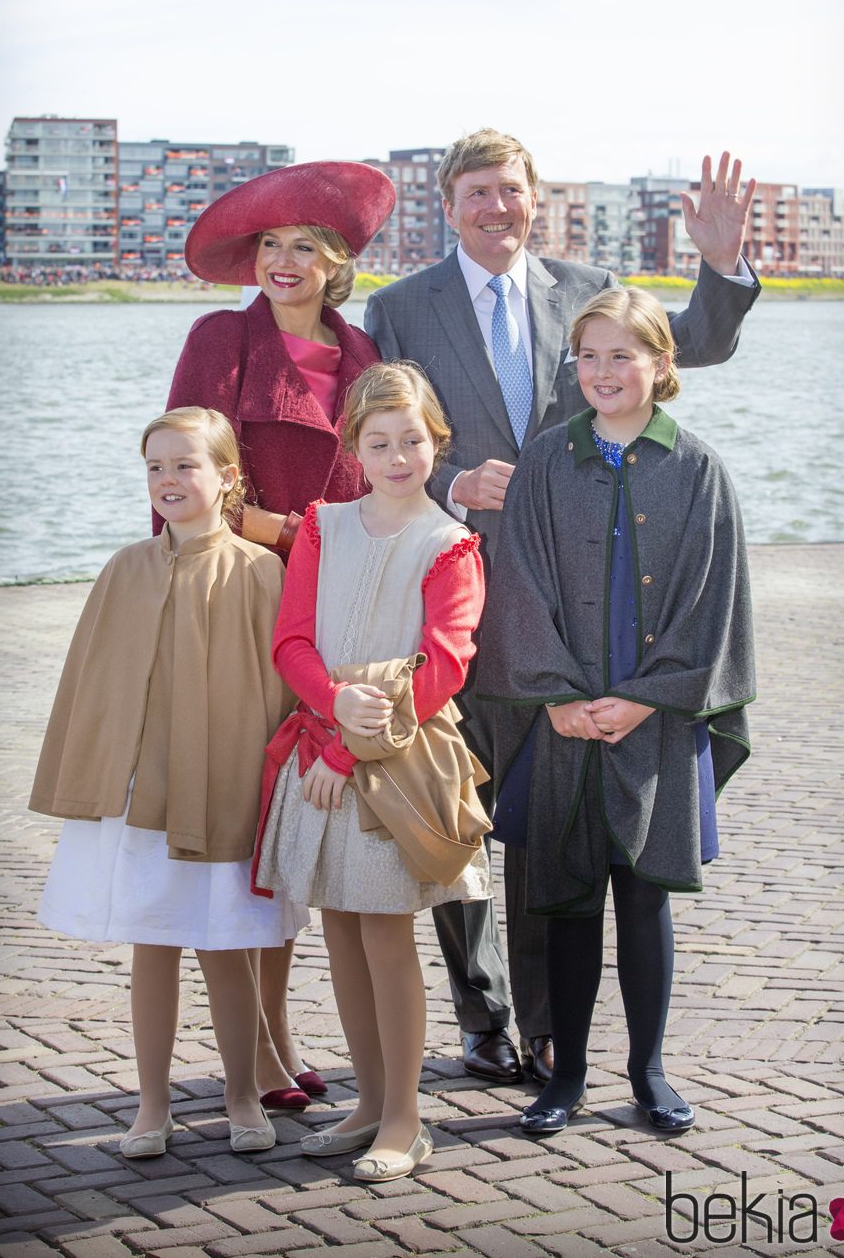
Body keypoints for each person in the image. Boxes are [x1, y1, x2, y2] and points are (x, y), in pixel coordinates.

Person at [364, 127, 759, 1084]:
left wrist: (722, 266)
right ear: (447, 205)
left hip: (573, 606)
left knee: (548, 826)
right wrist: (455, 481)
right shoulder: (400, 308)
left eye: (511, 191)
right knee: (455, 815)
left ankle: (548, 1031)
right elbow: (374, 428)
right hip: (452, 590)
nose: (496, 209)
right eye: (476, 194)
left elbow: (685, 345)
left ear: (532, 198)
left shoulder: (585, 286)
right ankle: (485, 1012)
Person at [475, 287, 755, 1135]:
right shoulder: (548, 464)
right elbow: (517, 586)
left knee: (643, 898)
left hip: (657, 723)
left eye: (622, 355)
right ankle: (565, 1076)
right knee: (562, 898)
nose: (603, 371)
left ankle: (650, 1070)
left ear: (661, 365)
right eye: (588, 355)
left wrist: (642, 701)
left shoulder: (698, 469)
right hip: (560, 723)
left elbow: (715, 604)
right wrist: (557, 696)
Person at [166, 160, 396, 1109]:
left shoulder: (364, 355)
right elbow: (183, 479)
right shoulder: (219, 338)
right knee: (240, 825)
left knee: (294, 825)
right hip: (238, 604)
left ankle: (282, 1034)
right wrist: (285, 534)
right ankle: (258, 1049)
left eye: (307, 246)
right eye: (270, 245)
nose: (285, 261)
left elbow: (378, 492)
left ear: (337, 263)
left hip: (327, 617)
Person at [30, 407, 295, 1157]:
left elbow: (275, 692)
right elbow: (95, 685)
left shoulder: (257, 570)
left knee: (225, 943)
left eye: (186, 465)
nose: (169, 480)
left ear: (226, 478)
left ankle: (243, 1096)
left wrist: (269, 793)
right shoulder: (125, 569)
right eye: (156, 468)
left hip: (223, 785)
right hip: (142, 792)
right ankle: (151, 1106)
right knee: (154, 940)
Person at [252, 361, 493, 1182]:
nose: (397, 458)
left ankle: (405, 1118)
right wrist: (331, 710)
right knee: (342, 931)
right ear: (354, 445)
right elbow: (292, 639)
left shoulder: (450, 543)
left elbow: (445, 665)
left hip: (395, 762)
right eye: (379, 442)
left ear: (437, 442)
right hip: (322, 750)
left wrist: (351, 743)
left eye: (413, 442)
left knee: (388, 933)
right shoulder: (324, 526)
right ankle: (365, 1102)